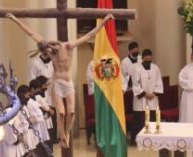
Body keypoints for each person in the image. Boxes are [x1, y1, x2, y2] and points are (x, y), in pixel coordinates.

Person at [7, 12, 113, 147]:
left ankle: (66, 134)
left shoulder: (68, 46)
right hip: (57, 83)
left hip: (68, 83)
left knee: (72, 112)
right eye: (47, 51)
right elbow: (32, 34)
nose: (48, 52)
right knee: (61, 113)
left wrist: (104, 21)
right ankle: (62, 134)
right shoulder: (50, 51)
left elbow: (89, 35)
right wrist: (16, 20)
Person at [0, 85, 32, 157]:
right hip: (10, 143)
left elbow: (25, 124)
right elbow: (7, 128)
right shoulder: (8, 111)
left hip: (19, 140)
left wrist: (22, 134)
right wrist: (15, 139)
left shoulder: (23, 109)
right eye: (26, 95)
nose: (28, 97)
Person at [130, 49, 164, 141]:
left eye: (150, 57)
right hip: (141, 100)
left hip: (153, 98)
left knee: (153, 119)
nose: (148, 59)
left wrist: (154, 93)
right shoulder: (136, 68)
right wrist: (144, 94)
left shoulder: (155, 68)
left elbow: (159, 82)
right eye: (146, 58)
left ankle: (153, 139)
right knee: (140, 120)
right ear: (143, 58)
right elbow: (135, 84)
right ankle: (139, 140)